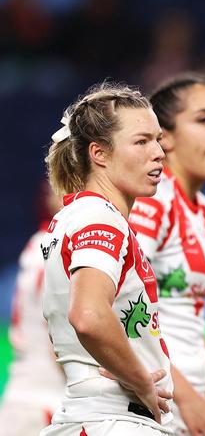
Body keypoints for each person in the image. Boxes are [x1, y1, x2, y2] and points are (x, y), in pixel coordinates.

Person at [40, 83, 174, 435]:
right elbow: (88, 315)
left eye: (158, 140)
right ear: (99, 154)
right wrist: (142, 381)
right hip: (114, 418)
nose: (159, 152)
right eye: (142, 141)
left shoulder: (71, 217)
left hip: (88, 415)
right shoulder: (100, 218)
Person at [129, 73, 205, 436]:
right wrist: (186, 399)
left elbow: (193, 318)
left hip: (189, 405)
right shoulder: (154, 200)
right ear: (166, 138)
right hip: (152, 403)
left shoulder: (204, 211)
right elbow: (120, 305)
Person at [0, 182, 65, 435]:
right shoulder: (62, 248)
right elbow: (60, 338)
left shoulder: (37, 242)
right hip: (46, 401)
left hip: (23, 397)